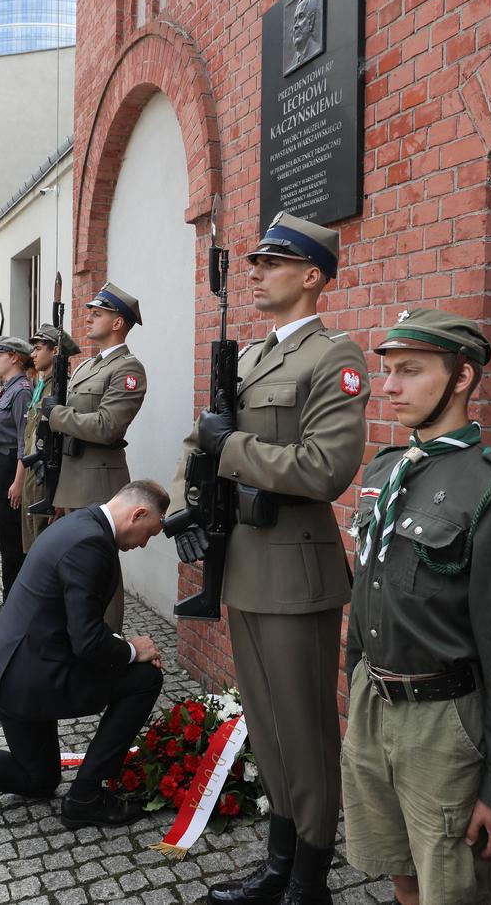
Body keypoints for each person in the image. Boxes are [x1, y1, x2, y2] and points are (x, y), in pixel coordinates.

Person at [168, 211, 370, 905]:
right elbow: (200, 446)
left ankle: (309, 881)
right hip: (247, 569)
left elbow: (323, 469)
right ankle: (278, 866)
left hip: (296, 574)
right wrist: (187, 504)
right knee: (268, 724)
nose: (256, 272)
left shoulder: (332, 358)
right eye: (255, 262)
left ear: (312, 277)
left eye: (272, 263)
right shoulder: (249, 358)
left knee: (305, 730)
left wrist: (228, 449)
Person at [0, 479, 168, 836]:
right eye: (150, 532)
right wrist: (133, 651)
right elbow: (86, 641)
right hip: (33, 679)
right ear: (139, 513)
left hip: (7, 674)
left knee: (39, 778)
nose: (145, 543)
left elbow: (68, 619)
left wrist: (121, 645)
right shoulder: (92, 544)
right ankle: (86, 798)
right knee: (145, 679)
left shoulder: (78, 523)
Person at [341, 309, 491, 905]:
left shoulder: (487, 488)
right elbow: (367, 585)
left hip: (443, 723)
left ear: (461, 378)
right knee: (399, 870)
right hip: (373, 704)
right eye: (388, 370)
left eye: (410, 371)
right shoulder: (385, 468)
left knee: (454, 888)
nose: (388, 386)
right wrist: (356, 675)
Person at [43, 281, 147, 633]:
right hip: (73, 481)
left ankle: (108, 642)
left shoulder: (128, 370)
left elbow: (107, 426)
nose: (89, 318)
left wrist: (55, 416)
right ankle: (80, 639)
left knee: (100, 570)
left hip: (98, 483)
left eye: (97, 313)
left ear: (118, 322)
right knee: (75, 569)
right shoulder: (87, 366)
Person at [0, 337, 33, 625]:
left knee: (12, 539)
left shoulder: (21, 392)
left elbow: (23, 442)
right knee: (4, 535)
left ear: (14, 357)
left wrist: (18, 483)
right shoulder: (9, 389)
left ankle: (15, 607)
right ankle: (9, 601)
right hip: (0, 462)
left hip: (11, 467)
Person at [21, 324, 79, 553]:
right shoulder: (42, 385)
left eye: (37, 348)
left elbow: (63, 442)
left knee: (44, 547)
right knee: (33, 542)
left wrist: (58, 494)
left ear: (55, 352)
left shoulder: (61, 389)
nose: (32, 354)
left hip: (46, 477)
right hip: (34, 472)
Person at [290, 0, 321, 69]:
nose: (295, 26)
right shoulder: (292, 63)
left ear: (311, 20)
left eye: (301, 16)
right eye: (295, 20)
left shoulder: (316, 49)